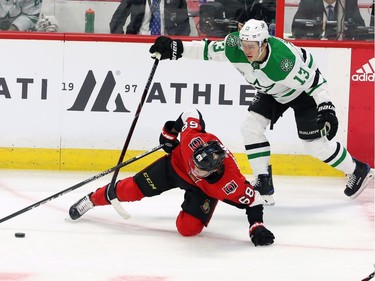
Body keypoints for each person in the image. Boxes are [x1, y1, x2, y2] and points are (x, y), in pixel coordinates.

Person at [147, 19, 373, 203]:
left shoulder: (283, 62)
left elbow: (315, 82)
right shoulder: (234, 46)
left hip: (302, 93)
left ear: (264, 43)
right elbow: (206, 49)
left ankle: (358, 169)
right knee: (250, 128)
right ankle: (263, 179)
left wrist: (326, 108)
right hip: (272, 91)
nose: (246, 50)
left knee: (314, 145)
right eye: (244, 45)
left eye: (252, 46)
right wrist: (175, 48)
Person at [69, 108, 275, 246]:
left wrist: (256, 226)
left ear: (215, 170)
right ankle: (91, 199)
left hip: (201, 191)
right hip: (174, 167)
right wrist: (170, 133)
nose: (194, 170)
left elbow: (254, 200)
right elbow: (190, 113)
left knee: (187, 229)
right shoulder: (193, 140)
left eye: (201, 170)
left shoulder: (231, 184)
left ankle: (195, 205)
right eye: (194, 163)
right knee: (130, 190)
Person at [109, 0, 190, 36]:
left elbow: (184, 25)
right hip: (138, 43)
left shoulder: (177, 1)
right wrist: (123, 41)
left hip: (165, 45)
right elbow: (116, 20)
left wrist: (176, 45)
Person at [292, 0, 365, 39]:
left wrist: (345, 32)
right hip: (315, 44)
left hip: (340, 46)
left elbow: (360, 28)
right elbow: (296, 28)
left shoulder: (349, 2)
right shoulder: (308, 2)